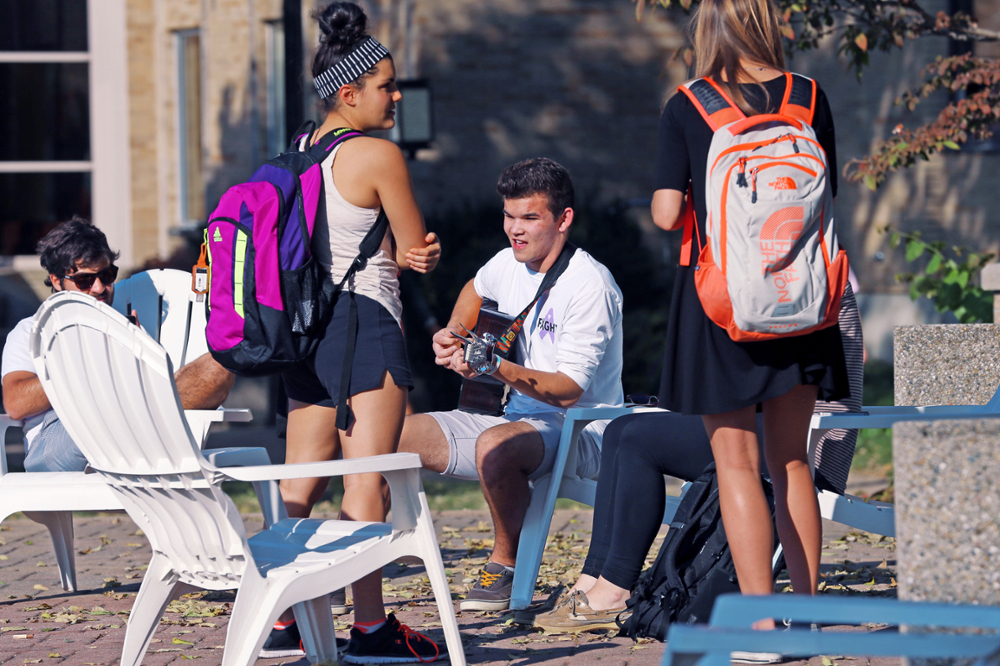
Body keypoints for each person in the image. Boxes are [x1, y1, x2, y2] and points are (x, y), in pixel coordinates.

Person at [653, 0, 848, 629]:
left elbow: (663, 213)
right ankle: (809, 613)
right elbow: (827, 193)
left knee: (736, 463)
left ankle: (760, 624)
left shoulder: (690, 104)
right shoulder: (808, 96)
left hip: (724, 305)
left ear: (707, 28)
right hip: (801, 301)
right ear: (769, 23)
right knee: (792, 460)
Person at [262, 3, 443, 662]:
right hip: (364, 325)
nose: (397, 96)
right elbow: (410, 245)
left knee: (299, 484)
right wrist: (424, 254)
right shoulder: (376, 155)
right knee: (366, 481)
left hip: (304, 331)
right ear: (349, 92)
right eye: (387, 86)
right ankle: (370, 630)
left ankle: (283, 617)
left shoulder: (301, 148)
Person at [532, 286, 865, 635]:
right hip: (778, 423)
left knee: (636, 439)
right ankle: (593, 581)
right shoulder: (804, 261)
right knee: (622, 429)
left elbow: (754, 373)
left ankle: (615, 591)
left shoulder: (777, 278)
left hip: (808, 438)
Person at [398, 157, 625, 613]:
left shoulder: (590, 285)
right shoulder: (507, 261)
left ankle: (505, 562)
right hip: (515, 418)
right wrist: (455, 335)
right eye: (508, 216)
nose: (514, 230)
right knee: (388, 435)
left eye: (529, 218)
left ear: (563, 220)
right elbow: (475, 288)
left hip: (585, 431)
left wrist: (494, 366)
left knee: (496, 446)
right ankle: (387, 551)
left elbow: (567, 392)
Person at [1, 217, 235, 473]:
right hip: (58, 439)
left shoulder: (135, 321)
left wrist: (136, 352)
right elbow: (16, 404)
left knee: (219, 362)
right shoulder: (30, 330)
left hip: (136, 429)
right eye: (84, 281)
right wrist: (96, 354)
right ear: (57, 281)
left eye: (107, 275)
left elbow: (168, 387)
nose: (100, 287)